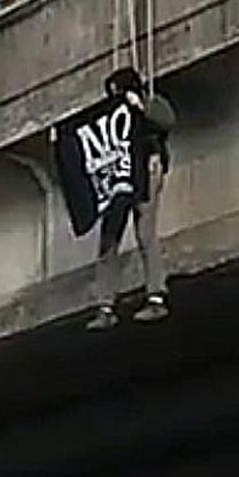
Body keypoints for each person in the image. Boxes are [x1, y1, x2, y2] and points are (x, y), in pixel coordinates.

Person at [86, 68, 175, 331]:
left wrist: (140, 107)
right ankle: (105, 306)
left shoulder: (151, 103)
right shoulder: (111, 117)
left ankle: (156, 295)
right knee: (109, 238)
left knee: (145, 232)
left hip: (145, 169)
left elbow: (166, 121)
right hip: (119, 177)